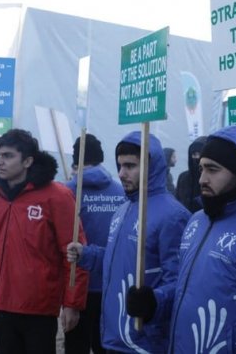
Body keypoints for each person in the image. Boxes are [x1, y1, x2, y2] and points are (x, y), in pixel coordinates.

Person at [127, 126, 236, 353]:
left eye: (212, 170)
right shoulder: (197, 221)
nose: (201, 179)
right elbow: (187, 290)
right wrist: (155, 302)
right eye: (201, 169)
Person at [0, 128, 89, 353]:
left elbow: (75, 254)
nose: (0, 162)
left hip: (38, 309)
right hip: (0, 305)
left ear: (27, 161)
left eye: (8, 156)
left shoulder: (57, 196)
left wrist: (72, 304)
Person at [67, 131, 190, 353]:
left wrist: (154, 301)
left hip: (145, 340)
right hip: (116, 334)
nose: (122, 173)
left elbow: (182, 281)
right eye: (120, 165)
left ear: (151, 166)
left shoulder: (173, 215)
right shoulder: (124, 208)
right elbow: (120, 259)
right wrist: (88, 255)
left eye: (131, 166)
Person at [64, 133, 125, 354]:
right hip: (112, 280)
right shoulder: (121, 191)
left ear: (76, 158)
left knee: (76, 345)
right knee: (105, 344)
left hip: (77, 282)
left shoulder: (67, 192)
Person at [175, 136, 208, 212]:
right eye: (193, 154)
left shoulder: (211, 179)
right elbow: (178, 201)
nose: (196, 157)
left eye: (199, 154)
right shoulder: (183, 177)